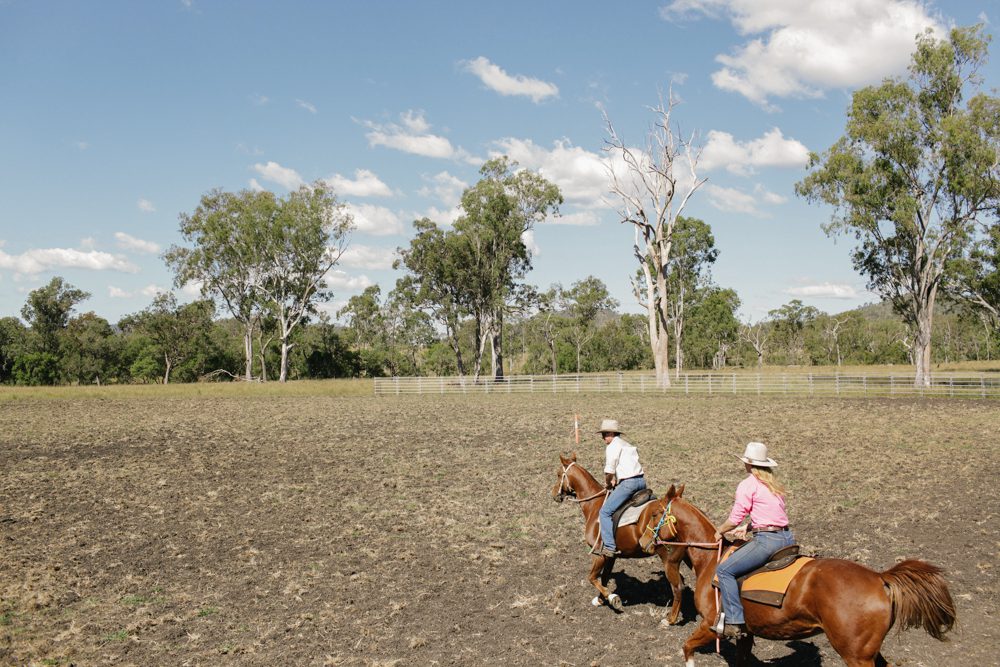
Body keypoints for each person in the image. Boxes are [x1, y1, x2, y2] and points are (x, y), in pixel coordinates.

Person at [711, 441, 795, 638]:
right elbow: (774, 514)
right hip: (787, 538)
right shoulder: (773, 484)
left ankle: (734, 621)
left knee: (724, 571)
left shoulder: (748, 484)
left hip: (767, 541)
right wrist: (749, 527)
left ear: (748, 464)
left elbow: (734, 518)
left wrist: (719, 531)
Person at [596, 418, 646, 558]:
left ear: (612, 433)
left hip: (628, 484)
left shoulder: (612, 446)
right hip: (641, 482)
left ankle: (610, 547)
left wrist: (608, 482)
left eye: (605, 434)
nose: (603, 437)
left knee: (605, 512)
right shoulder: (626, 444)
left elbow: (610, 470)